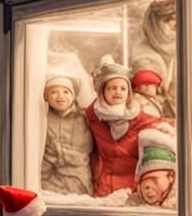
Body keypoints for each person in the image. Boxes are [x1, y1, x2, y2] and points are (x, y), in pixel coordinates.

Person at [85, 56, 160, 197]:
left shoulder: (140, 118)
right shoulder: (93, 115)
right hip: (103, 185)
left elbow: (164, 126)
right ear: (103, 91)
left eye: (123, 88)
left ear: (129, 92)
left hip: (132, 187)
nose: (118, 92)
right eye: (112, 88)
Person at [40, 74, 94, 196]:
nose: (60, 96)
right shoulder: (43, 118)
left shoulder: (83, 118)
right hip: (48, 178)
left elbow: (87, 150)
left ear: (73, 96)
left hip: (77, 178)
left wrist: (61, 153)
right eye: (54, 92)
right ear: (46, 96)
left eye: (66, 92)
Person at [126, 127, 177, 208]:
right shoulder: (132, 202)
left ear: (171, 177)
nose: (148, 188)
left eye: (154, 179)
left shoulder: (183, 204)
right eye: (144, 181)